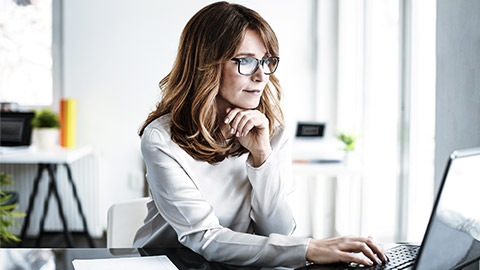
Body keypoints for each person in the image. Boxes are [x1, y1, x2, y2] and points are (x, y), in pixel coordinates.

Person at [134, 1, 388, 268]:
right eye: (245, 61)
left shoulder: (273, 132)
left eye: (266, 61)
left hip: (233, 264)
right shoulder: (161, 139)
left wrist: (262, 156)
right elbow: (205, 238)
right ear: (207, 64)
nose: (261, 75)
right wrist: (310, 247)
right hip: (167, 262)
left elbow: (277, 232)